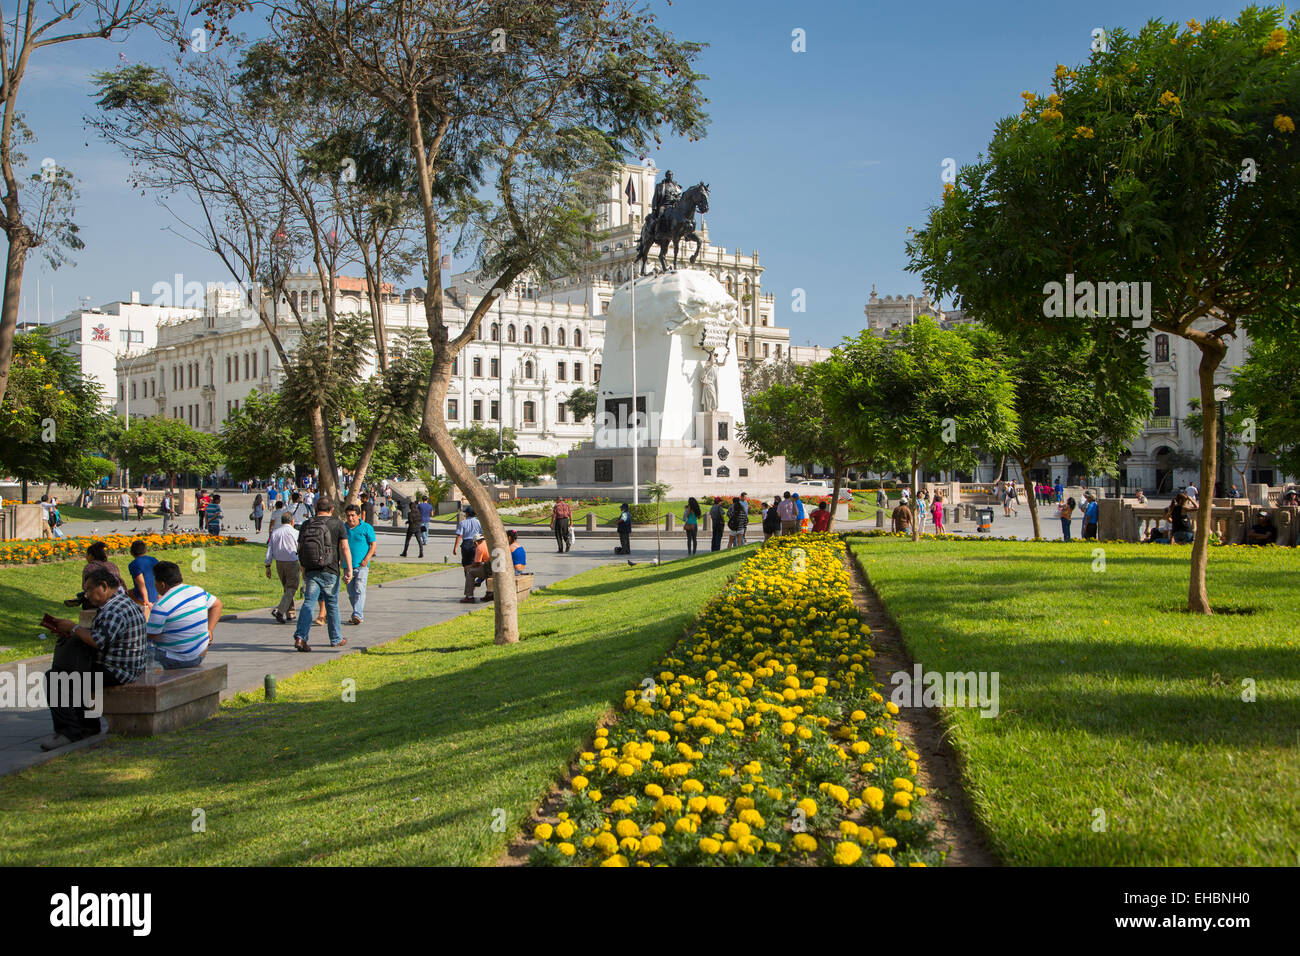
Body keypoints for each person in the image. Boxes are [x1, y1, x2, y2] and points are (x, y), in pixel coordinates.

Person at [39, 566, 147, 750]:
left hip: (118, 671)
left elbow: (98, 641)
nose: (87, 595)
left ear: (104, 586)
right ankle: (89, 725)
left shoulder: (114, 609)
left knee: (56, 677)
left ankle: (68, 731)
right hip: (127, 667)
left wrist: (73, 628)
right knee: (76, 673)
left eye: (89, 589)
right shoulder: (121, 602)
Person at [292, 496, 353, 652]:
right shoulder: (337, 524)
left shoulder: (307, 524)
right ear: (331, 509)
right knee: (332, 604)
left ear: (315, 508)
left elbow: (300, 549)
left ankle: (300, 637)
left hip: (311, 569)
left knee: (308, 603)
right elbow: (345, 548)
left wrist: (303, 569)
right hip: (330, 569)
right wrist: (349, 569)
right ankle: (336, 638)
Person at [145, 561, 222, 669]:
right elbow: (217, 604)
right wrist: (209, 630)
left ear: (162, 584)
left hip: (173, 659)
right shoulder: (198, 591)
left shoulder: (162, 605)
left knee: (138, 651)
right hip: (199, 655)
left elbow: (152, 637)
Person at [343, 503, 377, 625]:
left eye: (353, 515)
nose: (350, 518)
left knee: (359, 588)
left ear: (358, 516)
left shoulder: (366, 528)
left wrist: (366, 559)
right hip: (347, 566)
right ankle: (357, 613)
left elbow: (373, 545)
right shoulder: (343, 528)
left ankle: (357, 614)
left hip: (362, 565)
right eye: (348, 516)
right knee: (351, 593)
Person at [265, 513, 300, 623]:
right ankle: (279, 610)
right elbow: (299, 548)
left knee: (287, 587)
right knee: (292, 587)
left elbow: (269, 549)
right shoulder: (295, 533)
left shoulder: (275, 533)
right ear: (292, 521)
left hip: (279, 563)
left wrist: (268, 565)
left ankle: (290, 612)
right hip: (292, 561)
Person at [127, 539, 159, 611]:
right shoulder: (154, 560)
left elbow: (141, 583)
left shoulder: (134, 564)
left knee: (125, 595)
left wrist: (146, 601)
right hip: (157, 594)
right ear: (145, 550)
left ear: (132, 552)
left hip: (145, 597)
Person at [462, 533, 492, 603]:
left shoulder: (480, 547)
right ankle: (488, 592)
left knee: (470, 572)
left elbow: (477, 563)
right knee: (483, 570)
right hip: (493, 567)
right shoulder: (488, 543)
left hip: (489, 569)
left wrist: (468, 567)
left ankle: (469, 596)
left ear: (476, 542)